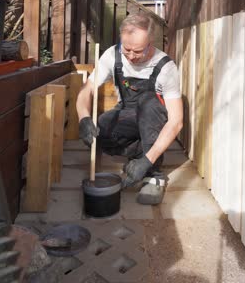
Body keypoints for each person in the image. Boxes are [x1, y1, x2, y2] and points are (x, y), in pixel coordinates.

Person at [76, 13, 183, 205]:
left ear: (150, 42)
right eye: (127, 49)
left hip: (154, 118)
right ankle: (140, 156)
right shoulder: (112, 55)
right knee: (100, 131)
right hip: (127, 112)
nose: (132, 56)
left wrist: (147, 162)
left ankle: (154, 174)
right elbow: (86, 91)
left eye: (138, 51)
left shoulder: (166, 67)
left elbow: (176, 121)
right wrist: (83, 118)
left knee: (149, 103)